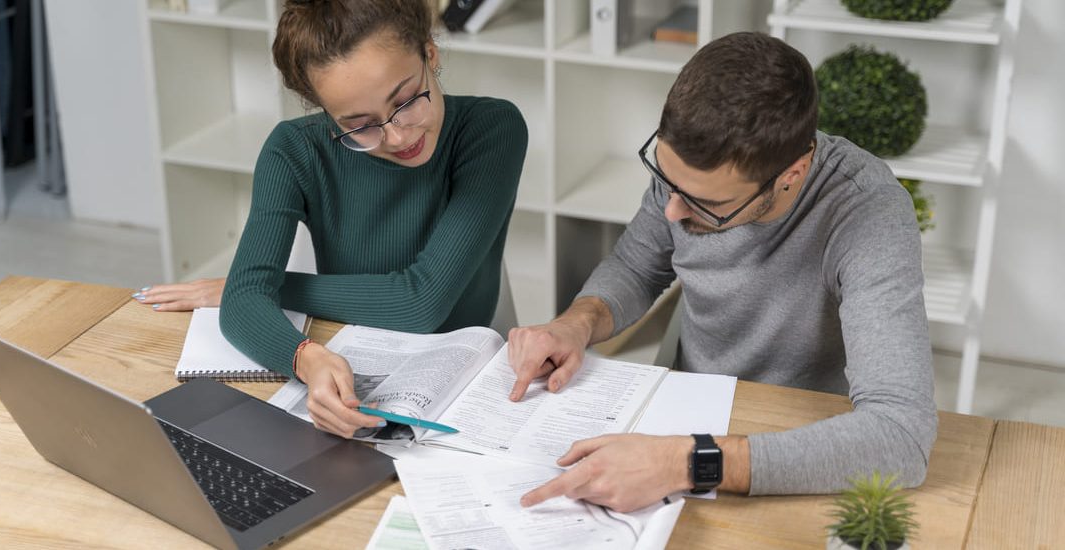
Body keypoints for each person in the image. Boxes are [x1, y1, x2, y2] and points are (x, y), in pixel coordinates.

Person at [507, 32, 937, 513]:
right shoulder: (690, 172)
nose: (672, 211)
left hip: (800, 446)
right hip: (685, 417)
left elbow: (901, 435)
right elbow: (636, 265)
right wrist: (577, 323)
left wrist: (689, 462)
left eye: (705, 203)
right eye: (666, 181)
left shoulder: (868, 212)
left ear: (791, 176)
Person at [133, 0, 527, 439]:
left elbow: (421, 304)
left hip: (465, 378)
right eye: (360, 126)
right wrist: (306, 357)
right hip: (352, 355)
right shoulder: (293, 150)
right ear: (323, 109)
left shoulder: (492, 128)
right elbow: (244, 304)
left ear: (429, 54)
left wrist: (266, 286)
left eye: (406, 101)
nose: (398, 136)